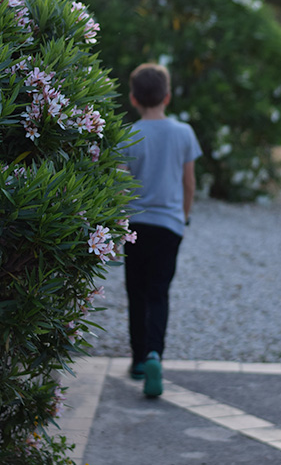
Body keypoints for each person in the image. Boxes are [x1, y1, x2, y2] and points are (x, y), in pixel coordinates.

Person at [119, 63, 201, 398]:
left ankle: (138, 360)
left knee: (136, 292)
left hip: (135, 226)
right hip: (169, 227)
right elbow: (189, 184)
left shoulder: (127, 135)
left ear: (133, 99)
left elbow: (120, 187)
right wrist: (182, 218)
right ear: (167, 96)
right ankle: (155, 353)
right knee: (159, 292)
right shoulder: (184, 134)